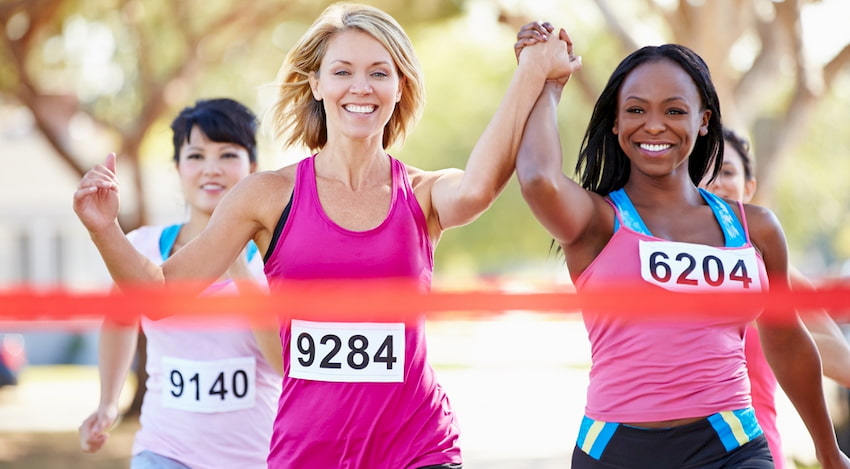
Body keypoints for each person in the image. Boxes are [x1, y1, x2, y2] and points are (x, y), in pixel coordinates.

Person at [73, 4, 579, 468]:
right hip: (309, 452)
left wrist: (533, 74)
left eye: (379, 73)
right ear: (315, 83)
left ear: (400, 86)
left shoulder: (422, 194)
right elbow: (161, 296)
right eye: (342, 72)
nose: (361, 87)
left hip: (418, 447)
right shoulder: (265, 196)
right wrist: (104, 228)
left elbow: (479, 186)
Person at [513, 22, 850, 468]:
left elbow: (787, 344)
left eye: (674, 111)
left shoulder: (756, 230)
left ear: (703, 119)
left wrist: (830, 454)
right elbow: (538, 178)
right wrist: (548, 83)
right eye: (636, 110)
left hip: (730, 446)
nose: (655, 125)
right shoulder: (596, 222)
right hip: (614, 449)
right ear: (615, 122)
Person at [77, 98, 282, 469]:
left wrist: (236, 260)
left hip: (256, 456)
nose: (212, 169)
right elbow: (119, 321)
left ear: (253, 167)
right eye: (196, 156)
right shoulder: (141, 246)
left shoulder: (277, 259)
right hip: (163, 452)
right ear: (177, 167)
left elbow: (284, 363)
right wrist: (108, 401)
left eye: (228, 155)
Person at [702, 127, 850, 468]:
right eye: (703, 171)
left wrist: (765, 314)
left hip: (754, 454)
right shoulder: (657, 260)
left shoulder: (769, 265)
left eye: (726, 171)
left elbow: (837, 357)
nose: (715, 182)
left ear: (748, 188)